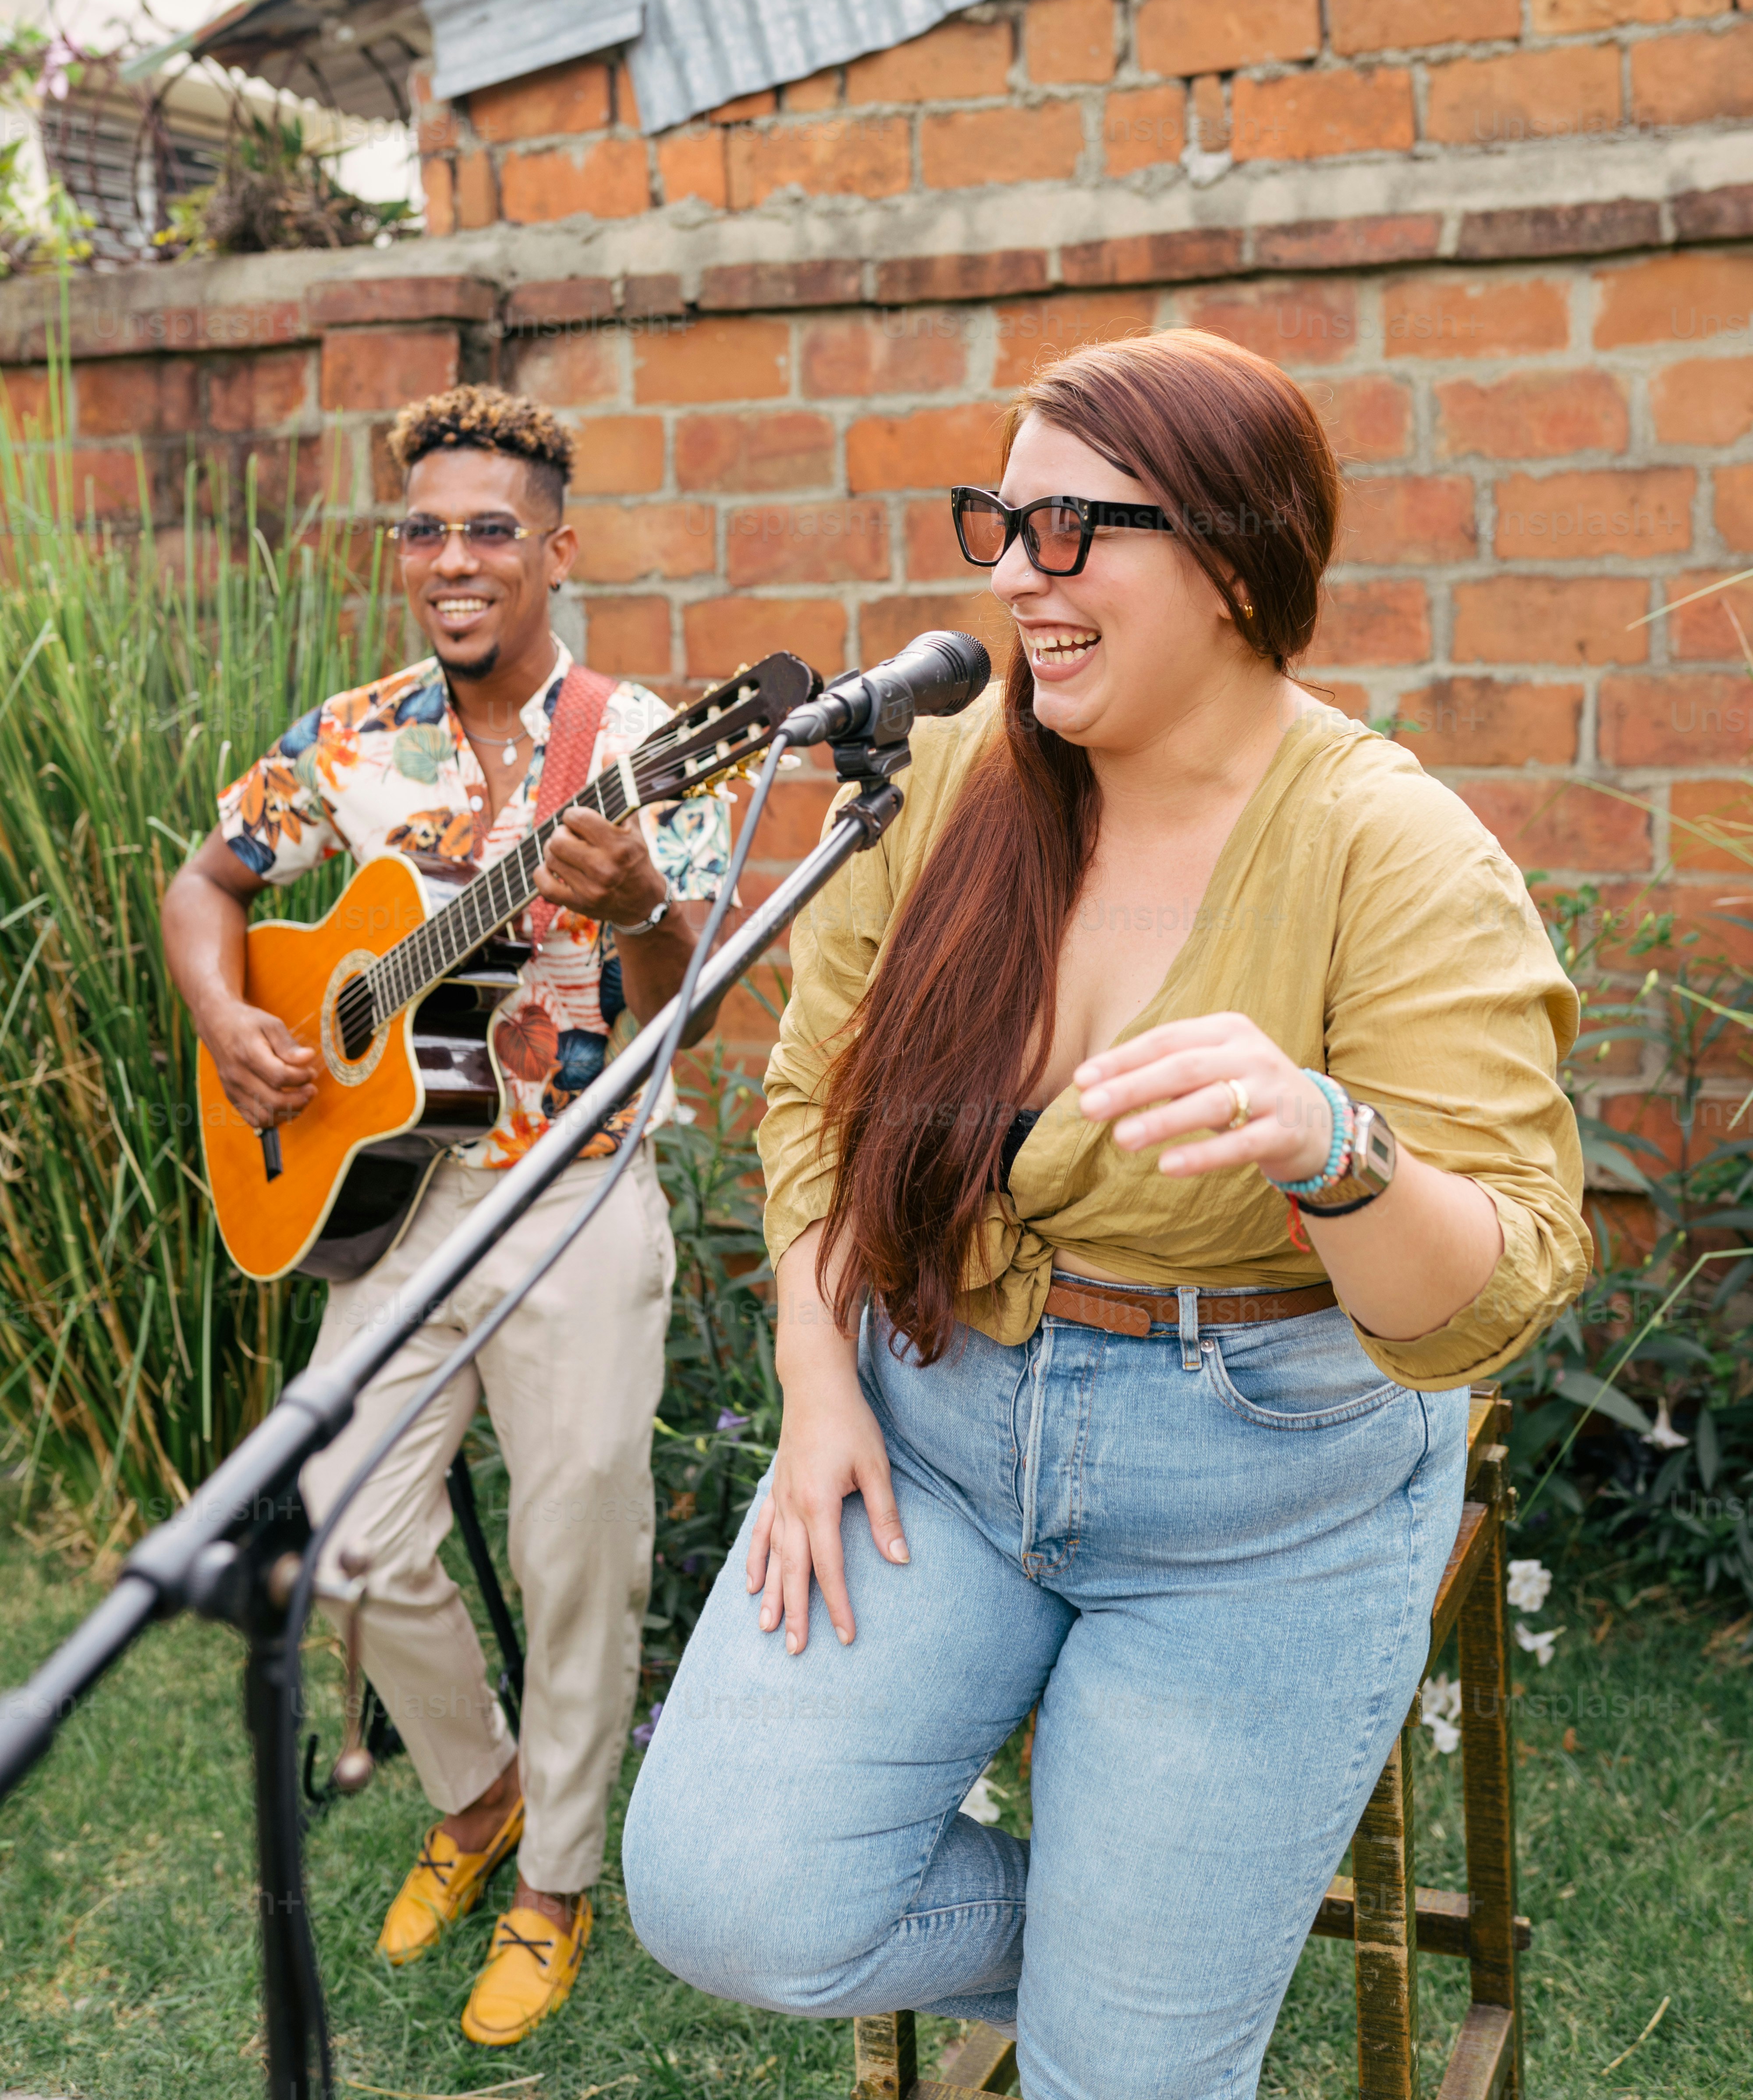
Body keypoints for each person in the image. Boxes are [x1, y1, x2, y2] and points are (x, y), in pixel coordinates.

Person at [621, 331, 1589, 2100]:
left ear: (1229, 563)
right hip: (935, 1420)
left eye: (1069, 529)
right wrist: (815, 1382)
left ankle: (1151, 1983)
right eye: (1002, 520)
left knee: (1121, 2078)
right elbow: (814, 1104)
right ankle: (1148, 1945)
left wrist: (1333, 1147)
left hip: (1263, 1487)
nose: (1011, 571)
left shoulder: (1400, 855)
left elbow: (1481, 1299)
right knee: (728, 1895)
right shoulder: (954, 787)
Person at [163, 384, 732, 2048]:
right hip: (398, 1199)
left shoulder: (638, 747)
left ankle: (555, 1876)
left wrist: (638, 913)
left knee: (577, 1551)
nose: (456, 557)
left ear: (557, 548)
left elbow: (677, 1006)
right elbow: (209, 885)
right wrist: (229, 1018)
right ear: (399, 550)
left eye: (493, 528)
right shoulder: (346, 739)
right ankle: (476, 1791)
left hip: (574, 1187)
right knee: (340, 1528)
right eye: (428, 528)